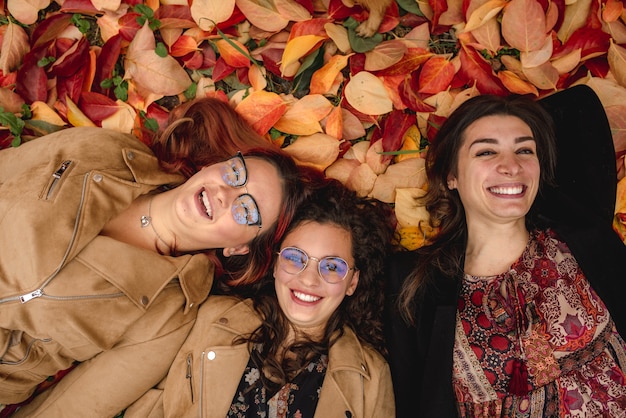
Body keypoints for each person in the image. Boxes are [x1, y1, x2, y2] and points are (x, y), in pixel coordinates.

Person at [0, 97, 309, 416]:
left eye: (246, 209)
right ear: (212, 165)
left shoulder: (169, 316)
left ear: (239, 248)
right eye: (235, 173)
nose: (224, 193)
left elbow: (74, 406)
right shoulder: (109, 151)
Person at [384, 86, 626, 417]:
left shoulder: (584, 238)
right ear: (451, 175)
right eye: (485, 152)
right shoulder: (415, 284)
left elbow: (579, 106)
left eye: (525, 151)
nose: (511, 166)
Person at [124, 178, 396, 418]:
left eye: (333, 266)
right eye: (294, 258)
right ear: (276, 265)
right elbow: (149, 402)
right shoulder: (207, 317)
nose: (309, 280)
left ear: (353, 282)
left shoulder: (371, 378)